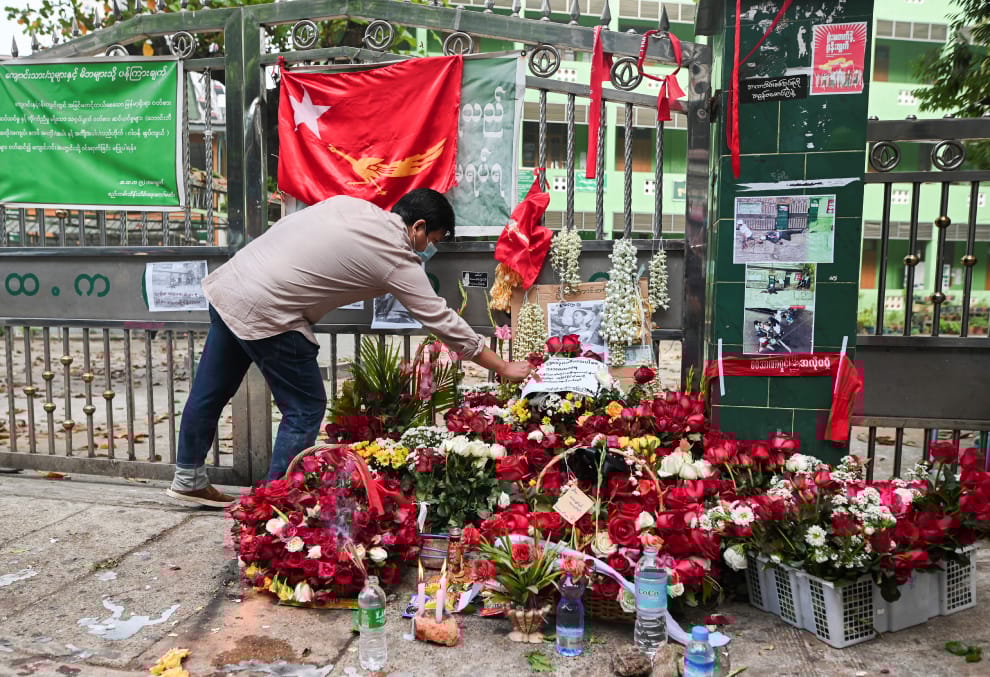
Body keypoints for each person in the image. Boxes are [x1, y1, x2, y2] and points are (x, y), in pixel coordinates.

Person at [166, 189, 532, 508]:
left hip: (231, 285)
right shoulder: (396, 255)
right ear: (418, 227)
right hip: (271, 311)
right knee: (305, 407)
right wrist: (502, 366)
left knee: (210, 392)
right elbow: (441, 319)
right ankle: (273, 504)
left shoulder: (349, 205)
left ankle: (188, 479)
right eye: (431, 240)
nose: (428, 249)